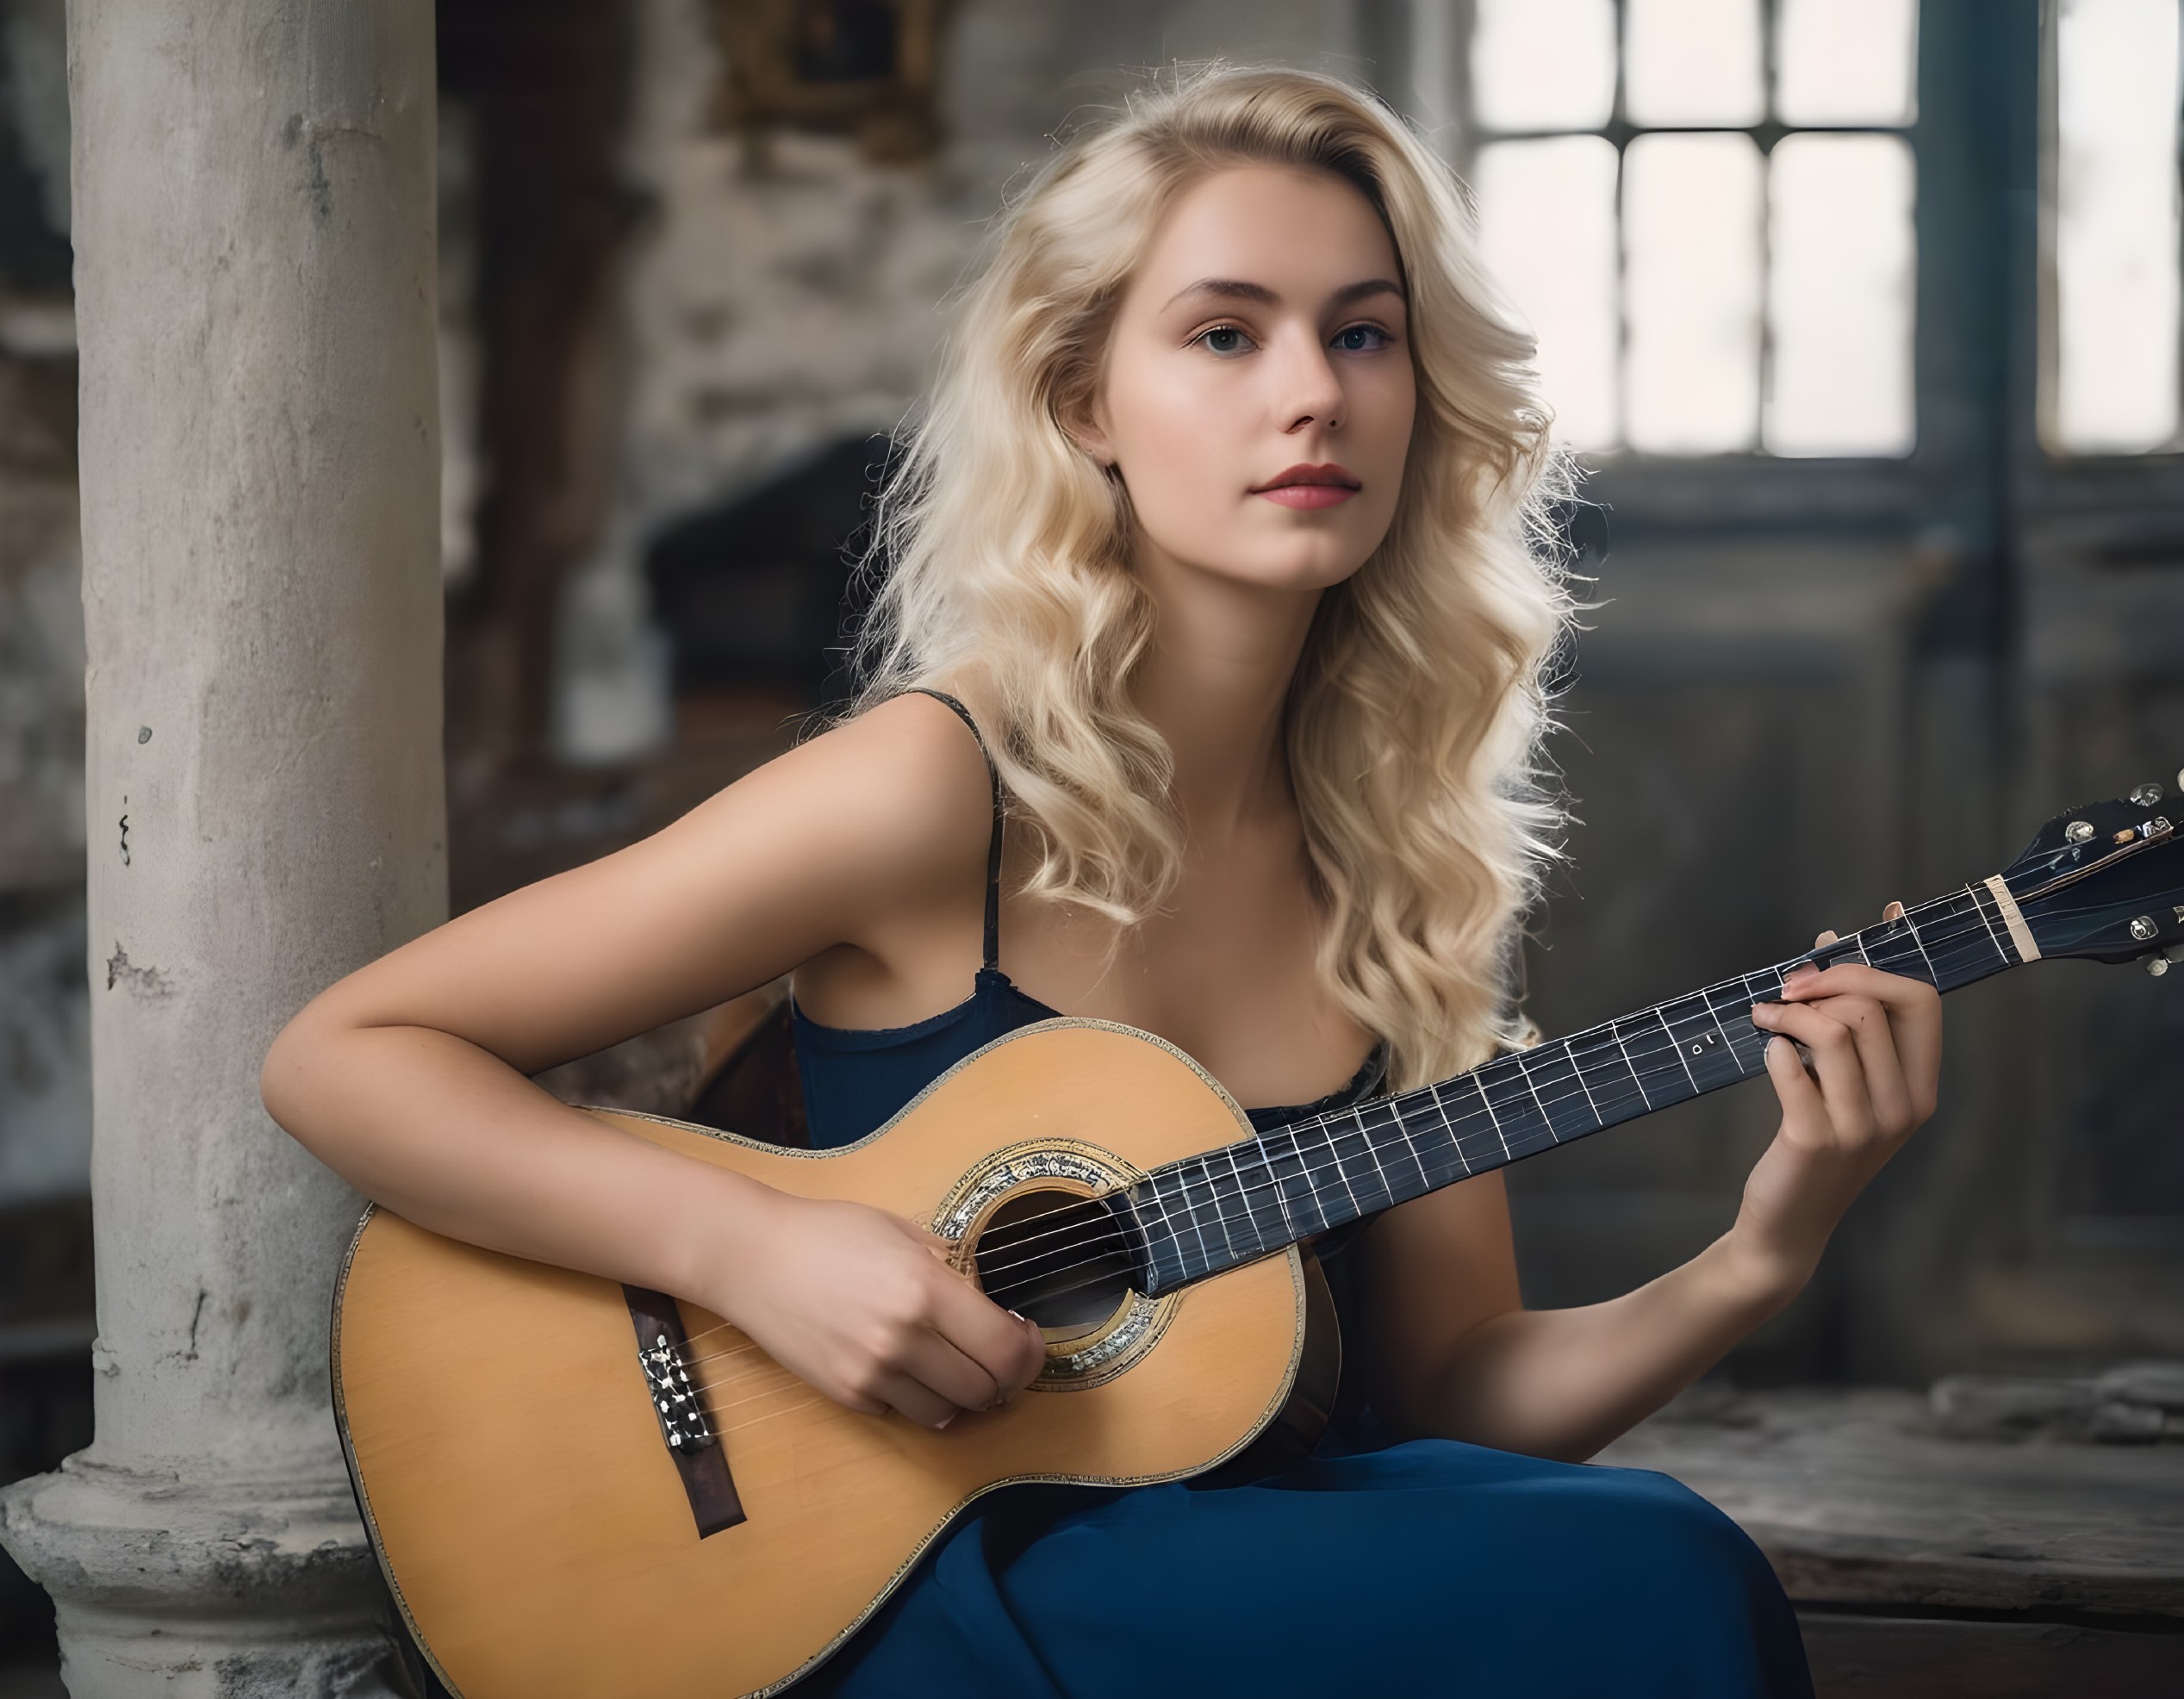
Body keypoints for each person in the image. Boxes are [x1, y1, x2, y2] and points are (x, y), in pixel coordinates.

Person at [262, 64, 1940, 1698]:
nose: (1313, 393)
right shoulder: (935, 786)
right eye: (1224, 332)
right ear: (1083, 402)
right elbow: (348, 1051)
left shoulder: (1402, 861)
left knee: (1645, 1545)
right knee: (1644, 1569)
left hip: (1228, 1549)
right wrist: (750, 1249)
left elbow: (1445, 1393)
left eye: (1362, 331)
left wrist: (1752, 1255)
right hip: (892, 1562)